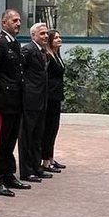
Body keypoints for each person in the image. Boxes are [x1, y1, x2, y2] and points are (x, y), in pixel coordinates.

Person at [0, 9, 30, 196]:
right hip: (4, 101)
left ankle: (8, 173)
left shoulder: (15, 44)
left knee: (11, 140)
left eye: (19, 20)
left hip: (16, 100)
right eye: (14, 20)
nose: (18, 23)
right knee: (0, 142)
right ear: (4, 23)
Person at [18, 22, 52, 183]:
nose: (45, 36)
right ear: (33, 35)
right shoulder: (28, 50)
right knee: (27, 137)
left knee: (38, 135)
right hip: (30, 100)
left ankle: (37, 167)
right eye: (42, 34)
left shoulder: (42, 51)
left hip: (41, 100)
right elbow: (20, 72)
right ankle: (27, 170)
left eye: (46, 33)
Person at [42, 29, 67, 172]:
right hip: (49, 96)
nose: (59, 39)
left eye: (59, 36)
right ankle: (45, 160)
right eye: (56, 37)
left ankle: (50, 157)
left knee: (54, 128)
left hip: (57, 96)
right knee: (48, 128)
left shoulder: (56, 55)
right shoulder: (47, 56)